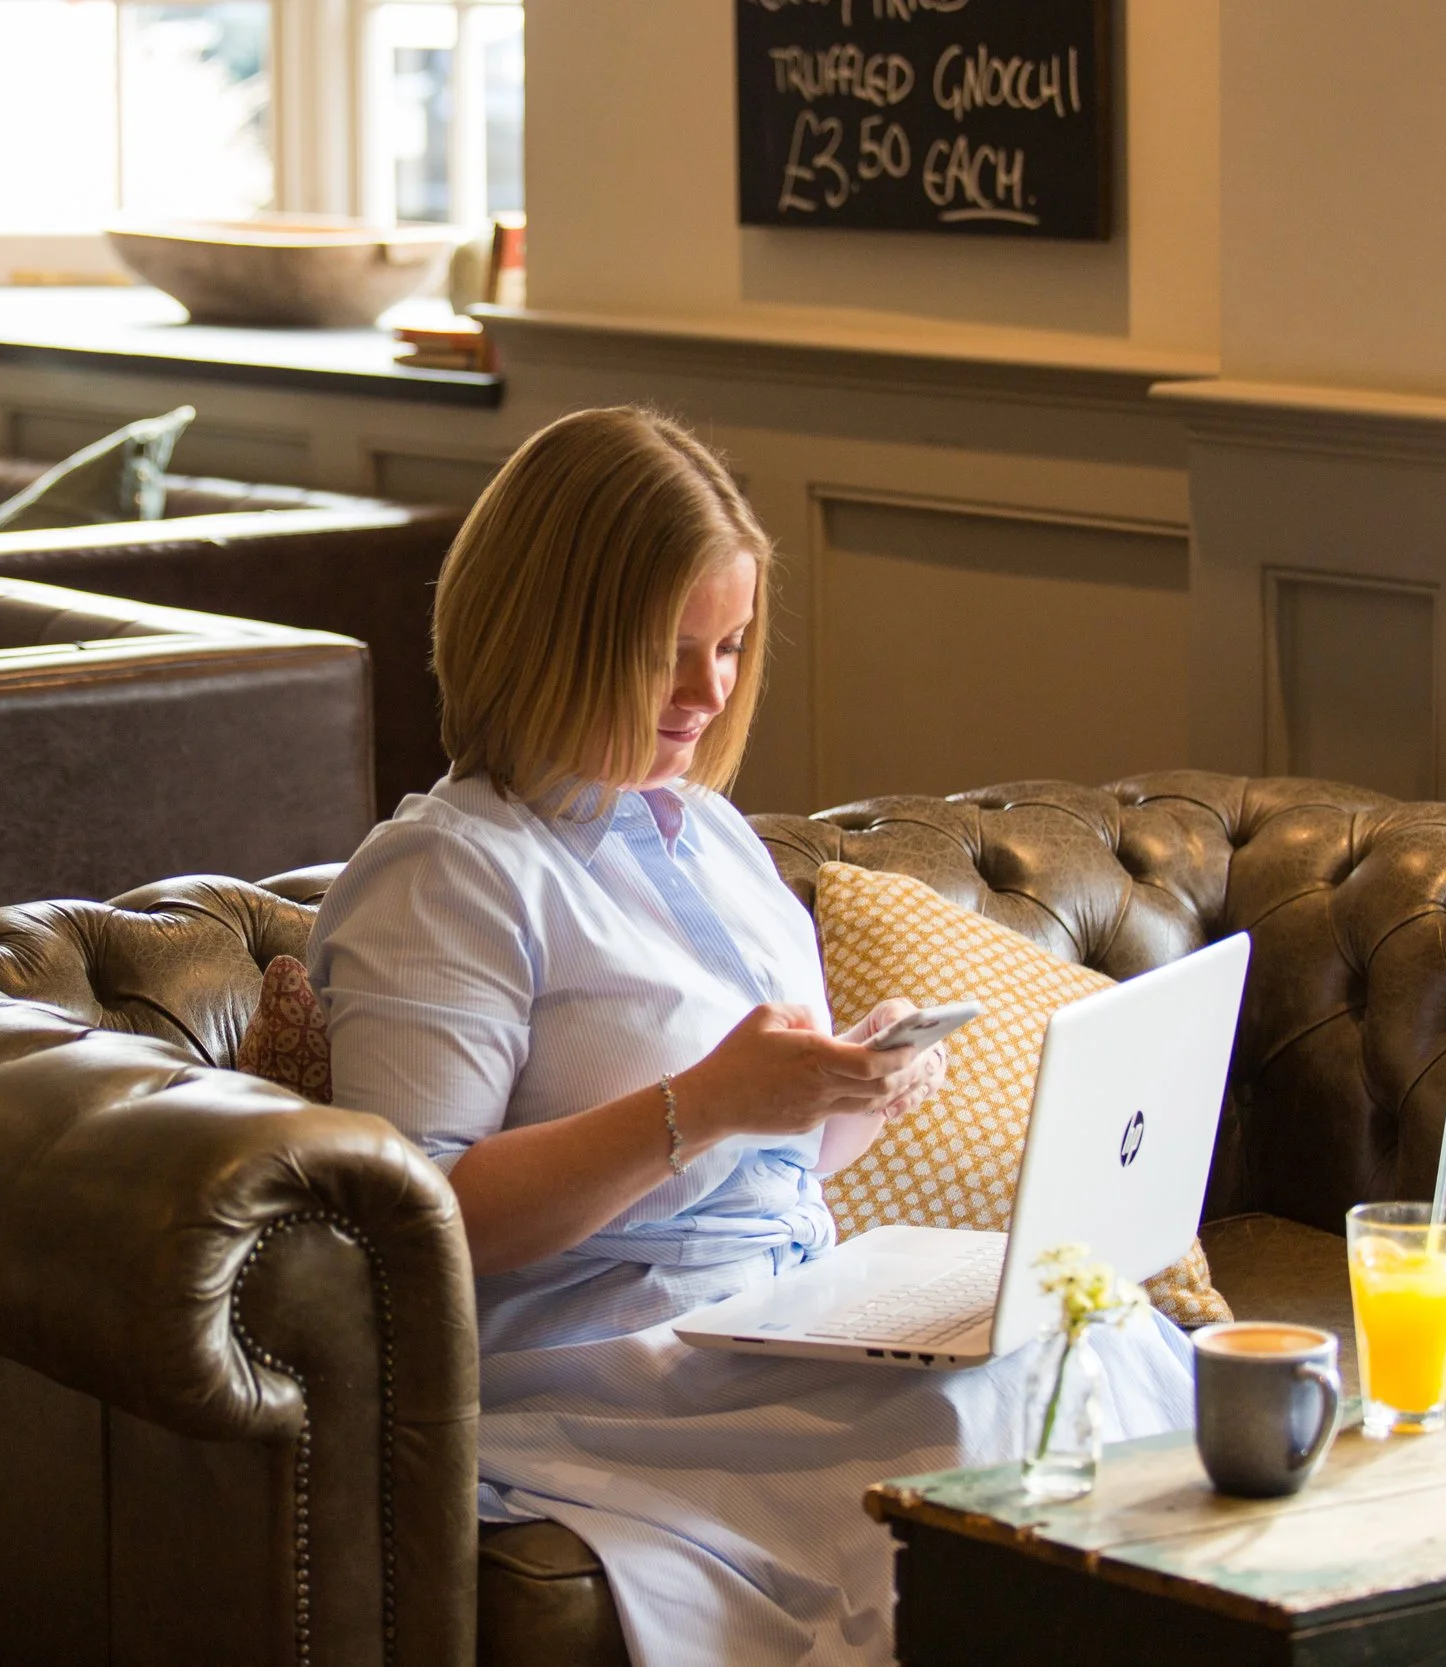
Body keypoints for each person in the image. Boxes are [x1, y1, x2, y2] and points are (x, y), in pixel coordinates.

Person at [305, 406, 1194, 1666]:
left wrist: (842, 1095)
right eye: (669, 651)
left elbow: (763, 1167)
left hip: (776, 1310)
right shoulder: (452, 873)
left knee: (1094, 1333)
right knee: (987, 1413)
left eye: (729, 645)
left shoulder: (705, 832)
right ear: (548, 632)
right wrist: (706, 1102)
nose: (709, 690)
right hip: (599, 1365)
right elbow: (420, 1220)